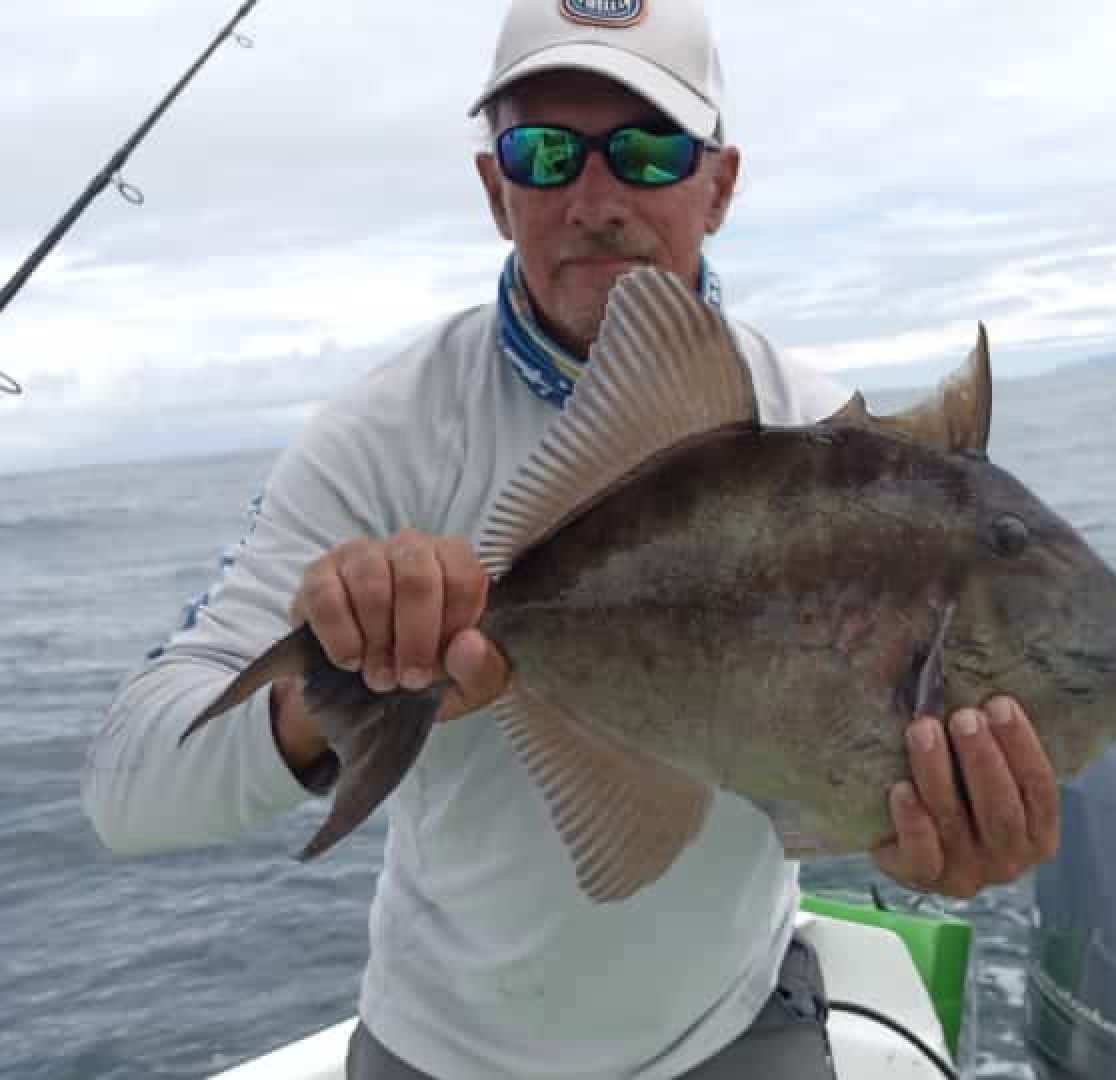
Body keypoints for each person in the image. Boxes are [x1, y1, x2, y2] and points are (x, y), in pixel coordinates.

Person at [82, 1, 1061, 1076]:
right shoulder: (385, 439)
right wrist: (335, 691)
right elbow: (129, 786)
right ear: (494, 190)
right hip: (444, 1047)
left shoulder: (825, 446)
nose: (597, 202)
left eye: (649, 152)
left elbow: (870, 767)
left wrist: (940, 838)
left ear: (719, 184)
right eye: (545, 154)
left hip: (731, 1025)